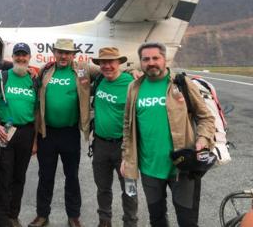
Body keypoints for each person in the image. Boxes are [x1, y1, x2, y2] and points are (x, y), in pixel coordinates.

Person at [121, 42, 215, 227]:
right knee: (157, 220)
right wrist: (126, 155)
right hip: (149, 169)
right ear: (140, 62)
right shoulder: (134, 87)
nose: (151, 63)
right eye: (146, 59)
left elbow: (205, 117)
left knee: (187, 221)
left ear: (165, 59)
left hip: (182, 167)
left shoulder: (181, 83)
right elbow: (127, 125)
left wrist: (203, 139)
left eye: (155, 58)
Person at [29, 38, 96, 227]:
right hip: (47, 134)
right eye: (60, 52)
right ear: (55, 53)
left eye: (67, 52)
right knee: (45, 176)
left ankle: (73, 216)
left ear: (73, 55)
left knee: (72, 176)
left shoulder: (83, 69)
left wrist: (132, 71)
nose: (63, 56)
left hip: (70, 133)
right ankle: (42, 215)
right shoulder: (46, 70)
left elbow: (108, 72)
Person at [0, 43, 37, 227]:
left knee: (19, 176)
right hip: (5, 131)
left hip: (26, 132)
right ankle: (1, 219)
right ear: (13, 56)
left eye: (24, 55)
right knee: (4, 176)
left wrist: (34, 142)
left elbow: (37, 113)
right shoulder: (3, 77)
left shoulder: (34, 80)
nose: (21, 58)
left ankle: (13, 215)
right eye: (18, 55)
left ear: (29, 58)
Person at [90, 47, 138, 227]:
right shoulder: (100, 78)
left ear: (119, 62)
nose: (107, 66)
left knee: (130, 189)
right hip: (100, 145)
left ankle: (130, 222)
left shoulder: (131, 83)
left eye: (111, 61)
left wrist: (135, 71)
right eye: (103, 62)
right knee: (102, 188)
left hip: (124, 147)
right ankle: (104, 221)